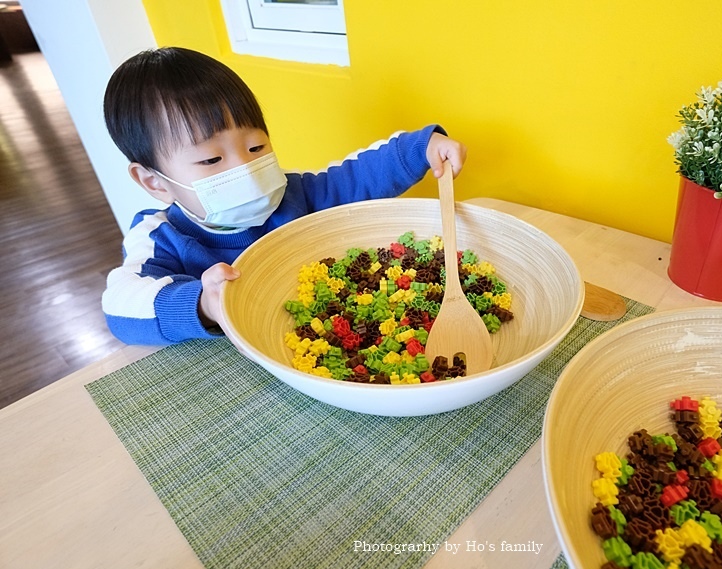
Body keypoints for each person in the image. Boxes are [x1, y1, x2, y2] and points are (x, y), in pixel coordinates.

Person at [101, 47, 466, 345]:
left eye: (256, 146)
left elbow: (357, 176)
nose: (243, 167)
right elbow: (120, 305)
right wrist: (200, 303)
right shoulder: (161, 238)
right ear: (154, 182)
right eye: (211, 159)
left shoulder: (297, 195)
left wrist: (419, 149)